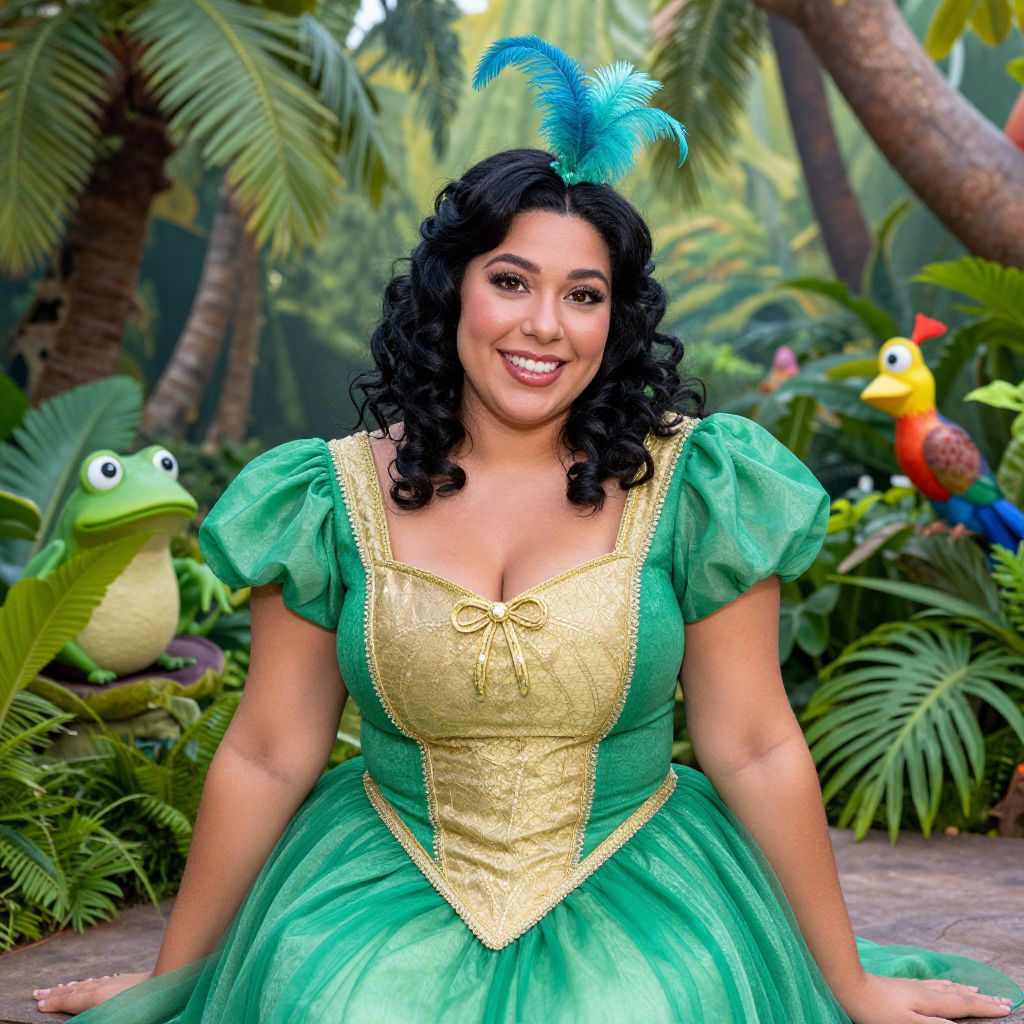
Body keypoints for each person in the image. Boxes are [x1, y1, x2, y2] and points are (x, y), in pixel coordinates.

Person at [33, 37, 1024, 1024]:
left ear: (615, 319)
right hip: (382, 879)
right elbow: (265, 752)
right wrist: (177, 976)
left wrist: (843, 981)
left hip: (641, 878)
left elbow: (755, 744)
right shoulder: (327, 496)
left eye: (582, 295)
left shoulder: (694, 486)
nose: (543, 325)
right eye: (510, 281)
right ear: (452, 288)